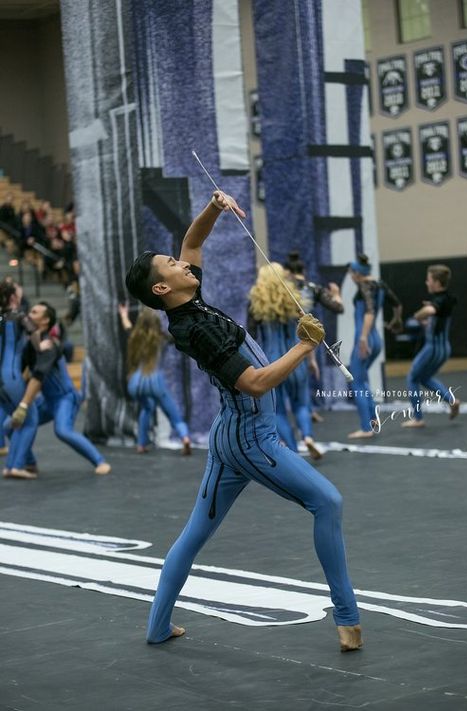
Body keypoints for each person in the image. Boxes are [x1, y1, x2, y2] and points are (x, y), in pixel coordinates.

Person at [125, 190, 362, 652]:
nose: (182, 262)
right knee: (327, 503)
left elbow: (193, 242)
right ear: (161, 288)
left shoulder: (190, 301)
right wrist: (304, 346)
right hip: (251, 440)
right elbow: (253, 383)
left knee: (194, 534)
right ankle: (349, 619)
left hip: (229, 436)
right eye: (171, 263)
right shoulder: (194, 327)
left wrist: (214, 207)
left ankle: (157, 627)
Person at [15, 301, 111, 475]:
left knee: (62, 431)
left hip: (65, 398)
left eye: (34, 312)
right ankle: (29, 463)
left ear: (45, 321)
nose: (29, 314)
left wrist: (24, 404)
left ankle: (99, 461)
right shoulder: (31, 345)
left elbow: (38, 376)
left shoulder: (51, 344)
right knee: (11, 425)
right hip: (47, 400)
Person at [248, 263, 322, 459]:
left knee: (278, 411)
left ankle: (293, 450)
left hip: (272, 364)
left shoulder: (256, 303)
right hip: (296, 360)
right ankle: (308, 436)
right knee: (301, 405)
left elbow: (251, 337)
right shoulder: (295, 299)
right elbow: (308, 331)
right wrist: (312, 359)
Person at [118, 303, 191, 455]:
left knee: (146, 408)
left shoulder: (134, 336)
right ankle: (184, 437)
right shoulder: (161, 338)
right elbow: (178, 335)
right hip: (154, 380)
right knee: (172, 413)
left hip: (135, 382)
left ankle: (141, 444)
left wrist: (124, 315)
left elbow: (127, 327)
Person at [284, 250, 345, 423]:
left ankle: (301, 411)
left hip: (286, 337)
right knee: (305, 374)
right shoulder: (313, 288)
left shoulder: (282, 289)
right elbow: (337, 308)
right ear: (304, 271)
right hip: (308, 336)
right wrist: (337, 294)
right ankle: (306, 412)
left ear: (287, 272)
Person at [347, 255, 402, 439]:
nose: (350, 276)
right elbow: (397, 304)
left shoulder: (364, 286)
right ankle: (373, 419)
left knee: (356, 381)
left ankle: (365, 428)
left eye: (351, 273)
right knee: (362, 380)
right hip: (376, 340)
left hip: (365, 340)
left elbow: (369, 312)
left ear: (357, 274)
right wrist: (396, 321)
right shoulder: (380, 285)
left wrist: (362, 339)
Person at [403, 265, 459, 428]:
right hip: (443, 348)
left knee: (412, 377)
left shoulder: (438, 300)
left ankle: (418, 418)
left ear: (436, 282)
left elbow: (429, 310)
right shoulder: (447, 298)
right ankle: (452, 400)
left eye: (428, 280)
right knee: (424, 378)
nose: (426, 282)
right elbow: (438, 319)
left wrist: (417, 315)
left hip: (433, 348)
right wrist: (427, 321)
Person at [0, 279, 40, 479]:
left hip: (2, 379)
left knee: (17, 423)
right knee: (30, 418)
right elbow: (34, 333)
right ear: (13, 297)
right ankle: (16, 465)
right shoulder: (19, 316)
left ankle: (11, 466)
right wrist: (40, 349)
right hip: (11, 376)